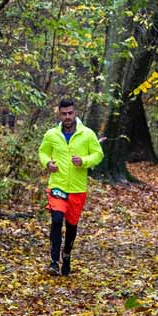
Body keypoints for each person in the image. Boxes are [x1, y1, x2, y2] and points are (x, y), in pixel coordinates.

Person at [38, 97, 103, 275]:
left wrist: (83, 161)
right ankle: (53, 262)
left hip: (77, 188)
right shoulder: (51, 134)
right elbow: (43, 152)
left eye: (70, 113)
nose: (67, 117)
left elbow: (98, 154)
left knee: (72, 225)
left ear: (76, 113)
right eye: (64, 113)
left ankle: (66, 256)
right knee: (57, 220)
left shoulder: (87, 134)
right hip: (57, 185)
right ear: (59, 114)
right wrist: (47, 163)